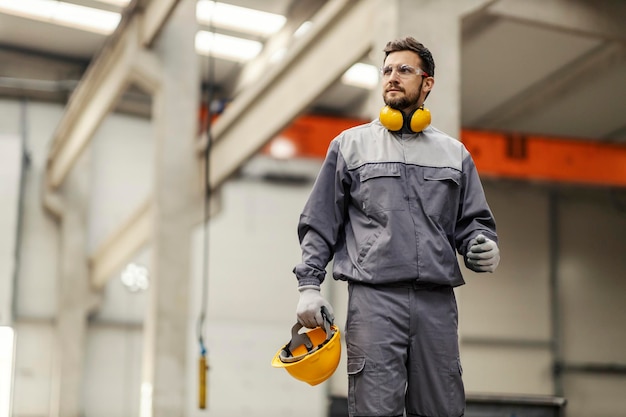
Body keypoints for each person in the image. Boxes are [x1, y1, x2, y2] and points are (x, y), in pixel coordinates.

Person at [293, 36, 500, 417]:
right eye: (387, 70)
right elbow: (320, 222)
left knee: (440, 409)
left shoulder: (454, 154)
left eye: (404, 70)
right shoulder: (350, 146)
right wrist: (309, 286)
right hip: (375, 301)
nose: (392, 77)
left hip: (436, 304)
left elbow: (473, 223)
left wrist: (481, 244)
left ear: (427, 83)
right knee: (374, 409)